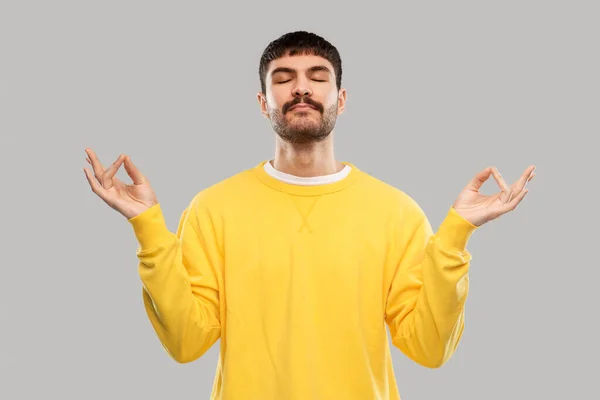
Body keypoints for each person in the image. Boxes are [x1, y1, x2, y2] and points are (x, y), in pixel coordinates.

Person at [83, 31, 535, 400]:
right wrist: (147, 227)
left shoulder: (396, 212)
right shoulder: (213, 208)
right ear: (263, 102)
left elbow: (429, 348)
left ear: (340, 98)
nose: (301, 87)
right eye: (283, 78)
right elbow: (186, 342)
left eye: (317, 77)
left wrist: (455, 235)